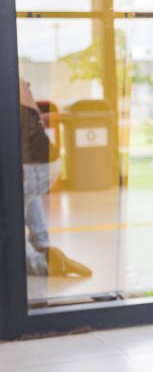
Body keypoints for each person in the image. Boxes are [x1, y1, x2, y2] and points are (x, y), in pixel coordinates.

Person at [20, 79, 92, 278]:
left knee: (9, 226)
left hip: (30, 167)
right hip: (49, 162)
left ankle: (42, 264)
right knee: (28, 194)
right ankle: (44, 246)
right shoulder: (17, 79)